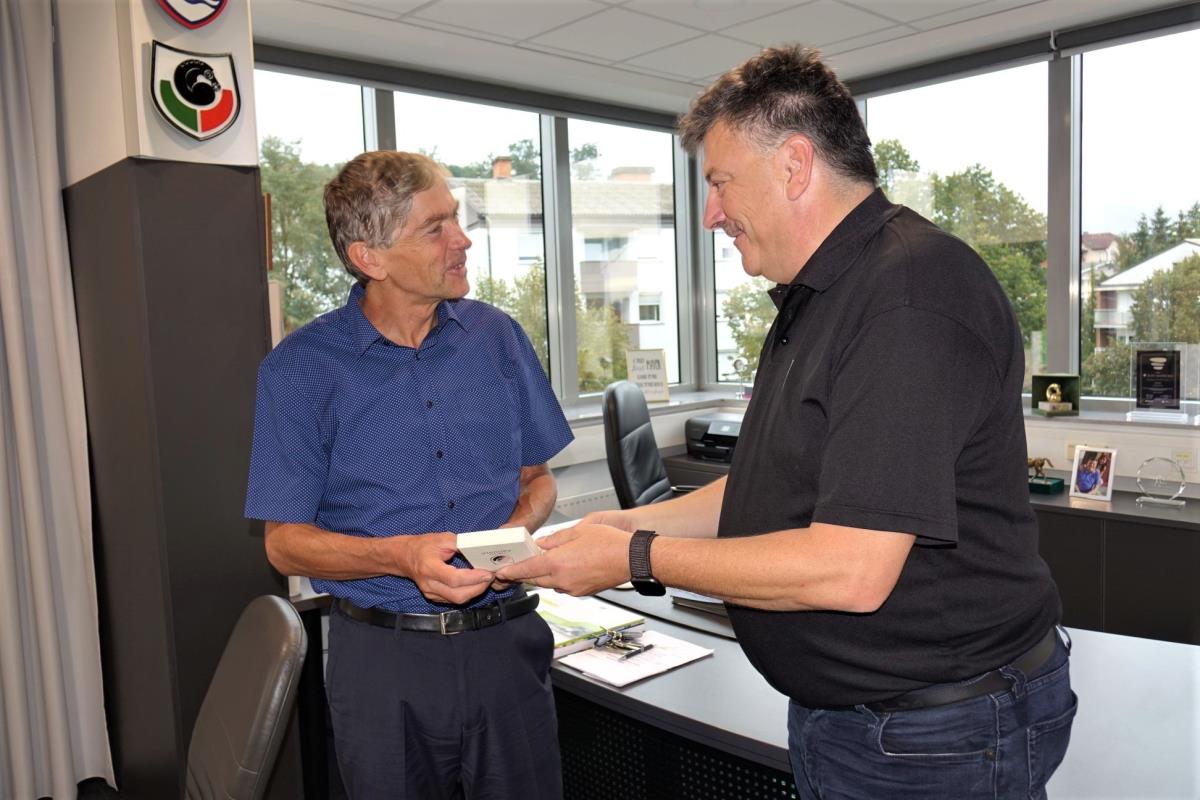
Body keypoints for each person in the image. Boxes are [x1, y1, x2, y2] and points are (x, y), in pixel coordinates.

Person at [499, 45, 1075, 799]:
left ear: (795, 165)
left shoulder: (910, 295)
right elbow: (769, 488)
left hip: (935, 733)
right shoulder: (821, 297)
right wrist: (624, 524)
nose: (711, 215)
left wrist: (636, 557)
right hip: (862, 719)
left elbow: (851, 570)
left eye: (720, 183)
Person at [245, 151, 572, 800]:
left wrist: (505, 540)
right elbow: (285, 544)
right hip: (383, 665)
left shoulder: (498, 338)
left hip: (506, 645)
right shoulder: (300, 370)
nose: (462, 240)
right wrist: (401, 557)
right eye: (435, 228)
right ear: (370, 257)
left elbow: (537, 482)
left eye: (456, 219)